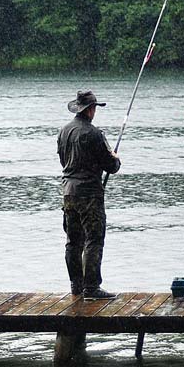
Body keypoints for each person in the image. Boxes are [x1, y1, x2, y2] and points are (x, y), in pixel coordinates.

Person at [58, 90, 121, 299]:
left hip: (68, 193)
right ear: (91, 110)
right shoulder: (94, 134)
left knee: (73, 240)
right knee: (94, 239)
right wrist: (115, 158)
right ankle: (92, 287)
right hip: (89, 195)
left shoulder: (63, 132)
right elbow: (111, 166)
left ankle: (76, 285)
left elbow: (63, 161)